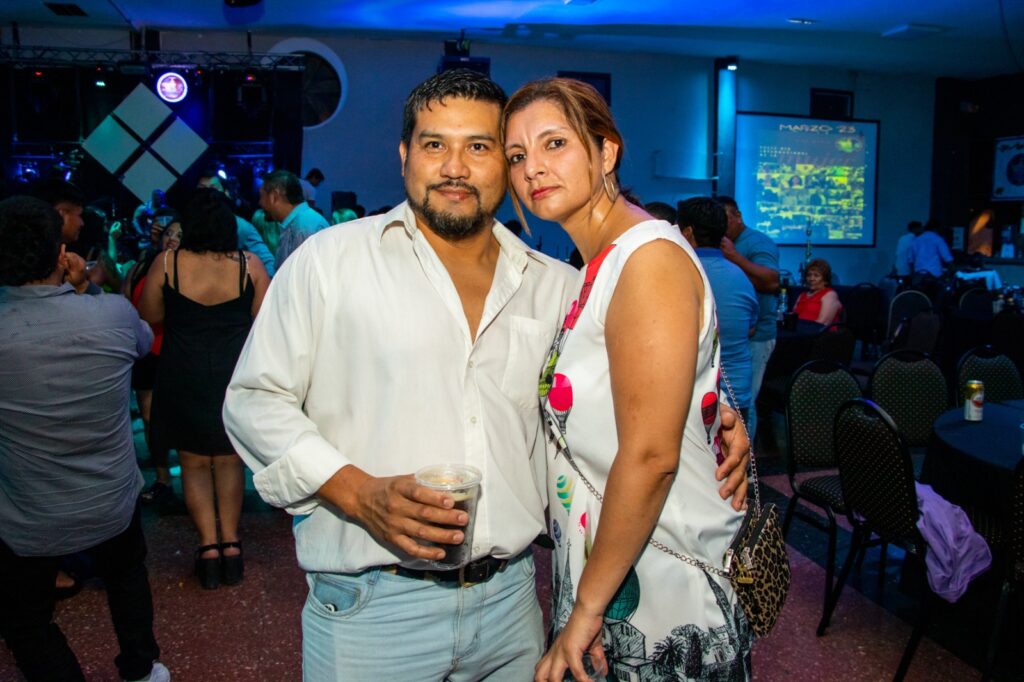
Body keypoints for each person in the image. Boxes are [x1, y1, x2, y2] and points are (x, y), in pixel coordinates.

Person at [223, 69, 749, 681]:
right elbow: (253, 401)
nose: (454, 167)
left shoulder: (557, 286)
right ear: (404, 155)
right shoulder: (329, 263)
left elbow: (624, 392)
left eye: (479, 146)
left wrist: (710, 415)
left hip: (513, 603)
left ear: (502, 165)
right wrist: (357, 492)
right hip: (372, 610)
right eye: (434, 144)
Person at [503, 77, 752, 682]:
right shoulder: (601, 263)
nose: (533, 168)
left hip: (664, 581)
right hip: (612, 565)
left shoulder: (647, 259)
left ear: (606, 151)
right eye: (517, 155)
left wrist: (587, 609)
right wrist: (720, 410)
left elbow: (650, 456)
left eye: (555, 143)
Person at [0, 196, 169, 682]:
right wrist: (86, 290)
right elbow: (142, 342)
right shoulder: (111, 313)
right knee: (127, 579)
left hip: (29, 510)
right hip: (110, 497)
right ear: (60, 253)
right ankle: (141, 670)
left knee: (26, 619)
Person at [139, 189, 270, 589]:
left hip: (183, 371)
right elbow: (266, 321)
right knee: (230, 460)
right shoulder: (249, 265)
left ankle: (208, 547)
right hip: (232, 374)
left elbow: (149, 315)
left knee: (193, 462)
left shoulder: (168, 263)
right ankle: (231, 543)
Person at [123, 210, 183, 507]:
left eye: (179, 235)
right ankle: (162, 479)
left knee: (176, 417)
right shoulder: (143, 264)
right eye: (169, 233)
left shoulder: (186, 269)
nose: (172, 239)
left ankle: (191, 476)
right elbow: (125, 300)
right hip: (145, 350)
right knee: (148, 418)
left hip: (173, 349)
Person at [680, 197, 759, 421]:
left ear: (687, 233)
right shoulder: (741, 277)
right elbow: (750, 328)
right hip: (736, 393)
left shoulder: (679, 272)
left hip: (694, 398)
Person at [717, 195, 779, 442]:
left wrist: (735, 257)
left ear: (738, 216)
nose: (722, 225)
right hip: (736, 336)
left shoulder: (757, 242)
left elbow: (772, 281)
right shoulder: (723, 243)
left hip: (758, 335)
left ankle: (747, 459)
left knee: (746, 402)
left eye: (725, 219)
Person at [197, 171, 277, 277]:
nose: (208, 194)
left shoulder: (240, 226)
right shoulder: (191, 225)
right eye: (202, 189)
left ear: (225, 193)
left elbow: (268, 263)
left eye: (213, 188)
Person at [258, 169, 330, 268]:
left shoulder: (303, 229)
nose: (260, 203)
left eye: (261, 196)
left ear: (274, 196)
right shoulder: (298, 225)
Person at [793, 258, 843, 324]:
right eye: (809, 275)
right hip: (799, 329)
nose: (811, 279)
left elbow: (823, 323)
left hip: (818, 330)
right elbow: (793, 318)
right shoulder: (802, 295)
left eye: (816, 276)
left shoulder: (830, 295)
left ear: (825, 279)